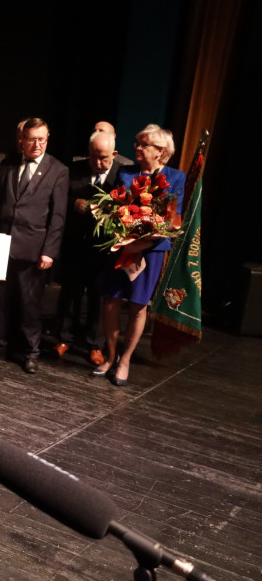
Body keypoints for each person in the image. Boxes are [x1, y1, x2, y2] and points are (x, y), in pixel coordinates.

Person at [95, 124, 185, 387]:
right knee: (111, 301)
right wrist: (127, 241)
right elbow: (116, 210)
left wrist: (141, 245)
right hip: (122, 247)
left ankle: (125, 360)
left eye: (143, 144)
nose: (137, 148)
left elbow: (171, 221)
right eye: (137, 143)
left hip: (152, 251)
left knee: (138, 305)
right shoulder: (125, 173)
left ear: (161, 151)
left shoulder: (175, 177)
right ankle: (111, 356)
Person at [0, 118, 68, 374]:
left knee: (30, 304)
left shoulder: (58, 170)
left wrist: (49, 250)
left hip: (34, 248)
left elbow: (58, 216)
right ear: (22, 141)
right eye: (32, 139)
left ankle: (31, 352)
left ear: (47, 139)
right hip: (1, 243)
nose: (37, 144)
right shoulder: (7, 164)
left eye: (42, 139)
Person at [53, 130, 123, 365]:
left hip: (104, 247)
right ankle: (64, 338)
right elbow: (59, 198)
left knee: (98, 295)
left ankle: (95, 345)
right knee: (70, 292)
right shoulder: (74, 171)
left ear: (114, 154)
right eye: (94, 157)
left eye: (103, 158)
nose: (98, 163)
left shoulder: (121, 176)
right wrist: (75, 203)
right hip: (76, 243)